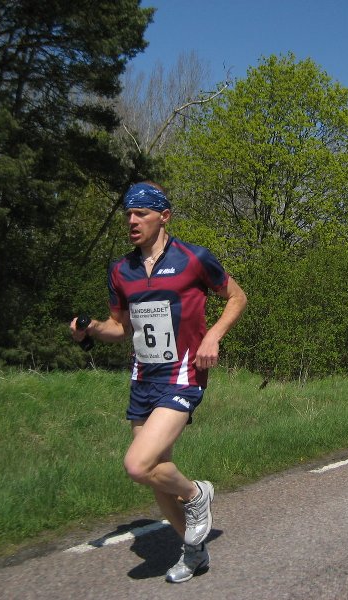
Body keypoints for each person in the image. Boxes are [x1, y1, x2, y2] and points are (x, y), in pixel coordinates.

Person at [70, 181, 247, 583]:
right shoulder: (121, 270)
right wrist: (92, 328)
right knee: (156, 473)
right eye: (128, 214)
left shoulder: (194, 258)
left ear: (163, 216)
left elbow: (237, 297)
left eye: (141, 213)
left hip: (183, 375)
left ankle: (197, 493)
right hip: (143, 378)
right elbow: (120, 327)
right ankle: (194, 552)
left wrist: (213, 336)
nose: (132, 221)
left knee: (138, 464)